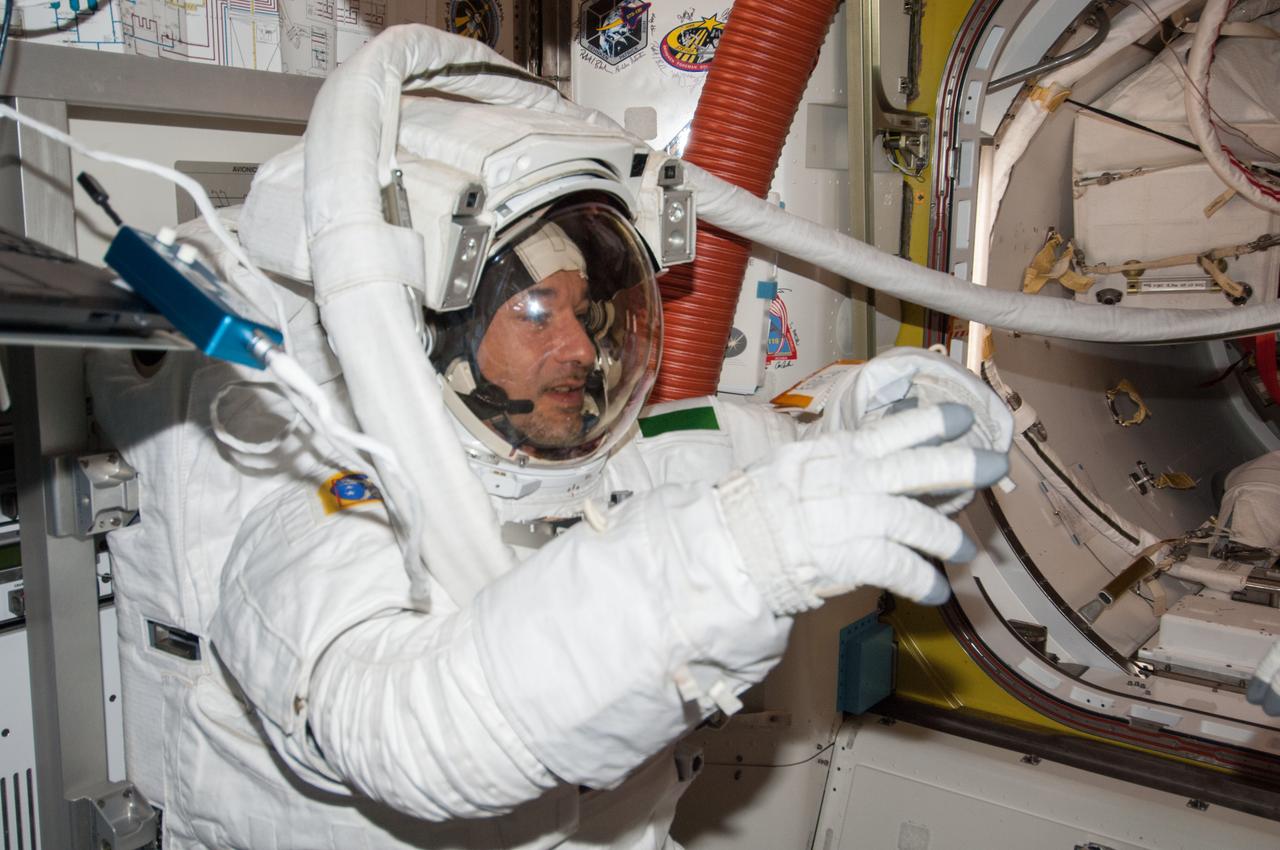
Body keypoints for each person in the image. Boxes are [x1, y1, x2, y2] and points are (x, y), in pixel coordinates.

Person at [87, 95, 1012, 850]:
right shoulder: (327, 509)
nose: (581, 345)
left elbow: (785, 437)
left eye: (584, 310)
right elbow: (411, 728)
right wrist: (730, 559)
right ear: (430, 331)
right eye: (537, 312)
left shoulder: (598, 456)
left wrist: (903, 405)